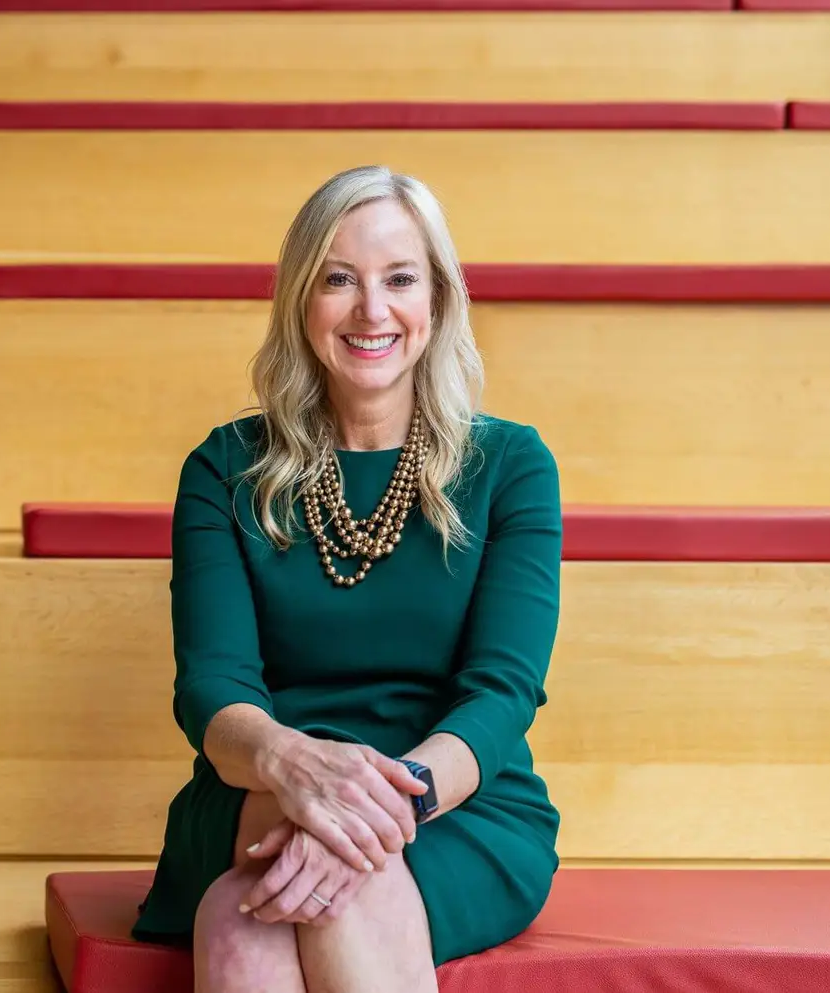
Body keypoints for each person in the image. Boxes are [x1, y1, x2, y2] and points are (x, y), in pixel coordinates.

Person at [132, 164, 562, 993]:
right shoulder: (224, 468)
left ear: (435, 299)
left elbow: (502, 693)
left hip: (456, 803)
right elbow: (210, 690)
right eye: (338, 279)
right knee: (283, 902)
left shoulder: (510, 464)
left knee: (244, 916)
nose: (372, 310)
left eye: (399, 279)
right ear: (301, 299)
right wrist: (296, 770)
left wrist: (374, 808)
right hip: (257, 786)